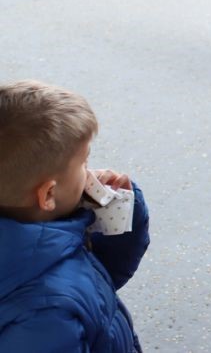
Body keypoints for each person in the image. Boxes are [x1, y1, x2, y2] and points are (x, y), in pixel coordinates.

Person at [0, 80, 151, 351]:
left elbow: (96, 277)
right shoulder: (47, 314)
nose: (89, 173)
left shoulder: (41, 241)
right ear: (48, 194)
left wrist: (119, 214)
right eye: (83, 163)